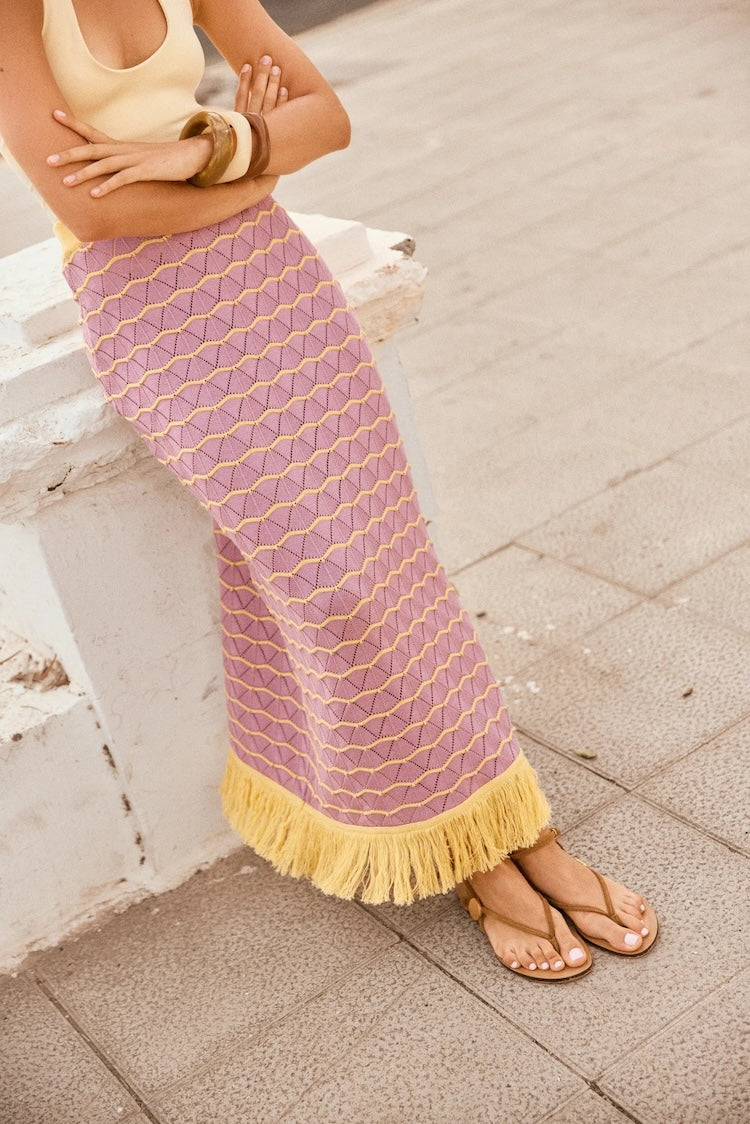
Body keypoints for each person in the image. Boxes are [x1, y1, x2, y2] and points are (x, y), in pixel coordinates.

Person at [0, 0, 657, 981]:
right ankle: (471, 848)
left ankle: (518, 819)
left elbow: (327, 117)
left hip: (273, 280)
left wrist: (205, 150)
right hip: (152, 318)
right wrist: (256, 166)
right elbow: (96, 212)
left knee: (397, 561)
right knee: (330, 587)